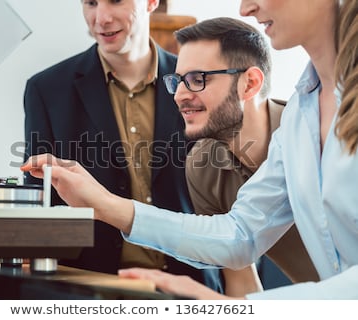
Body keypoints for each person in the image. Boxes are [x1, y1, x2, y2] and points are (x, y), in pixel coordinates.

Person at [21, 0, 358, 299]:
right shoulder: (302, 113)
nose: (244, 9)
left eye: (197, 79)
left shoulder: (290, 117)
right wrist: (103, 204)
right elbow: (239, 235)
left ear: (250, 83)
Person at [22, 0, 208, 285]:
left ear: (151, 3)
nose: (101, 18)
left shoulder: (199, 83)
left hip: (191, 283)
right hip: (88, 285)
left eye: (116, 1)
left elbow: (224, 203)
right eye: (91, 3)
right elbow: (40, 202)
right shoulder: (46, 90)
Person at [173, 17, 318, 296]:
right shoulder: (202, 166)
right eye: (178, 81)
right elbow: (241, 281)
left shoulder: (318, 134)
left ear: (249, 83)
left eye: (196, 79)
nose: (179, 95)